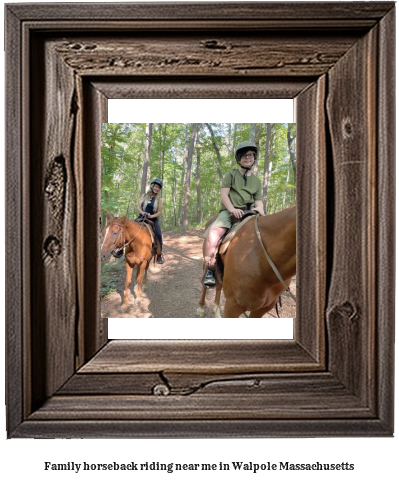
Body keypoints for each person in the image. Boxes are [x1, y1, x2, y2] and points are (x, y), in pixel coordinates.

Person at [203, 141, 265, 287]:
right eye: (244, 155)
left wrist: (260, 210)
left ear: (254, 157)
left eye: (250, 155)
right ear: (238, 158)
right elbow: (224, 195)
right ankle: (210, 269)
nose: (247, 157)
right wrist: (232, 209)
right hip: (229, 211)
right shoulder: (230, 174)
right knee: (213, 233)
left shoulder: (256, 181)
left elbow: (259, 201)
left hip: (250, 212)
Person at [137, 178, 165, 264]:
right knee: (128, 227)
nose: (157, 189)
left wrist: (151, 215)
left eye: (159, 188)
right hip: (141, 217)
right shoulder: (143, 196)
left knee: (159, 235)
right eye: (156, 186)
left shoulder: (159, 199)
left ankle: (159, 255)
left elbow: (159, 212)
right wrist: (143, 213)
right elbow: (138, 207)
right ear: (152, 186)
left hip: (153, 219)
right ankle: (120, 250)